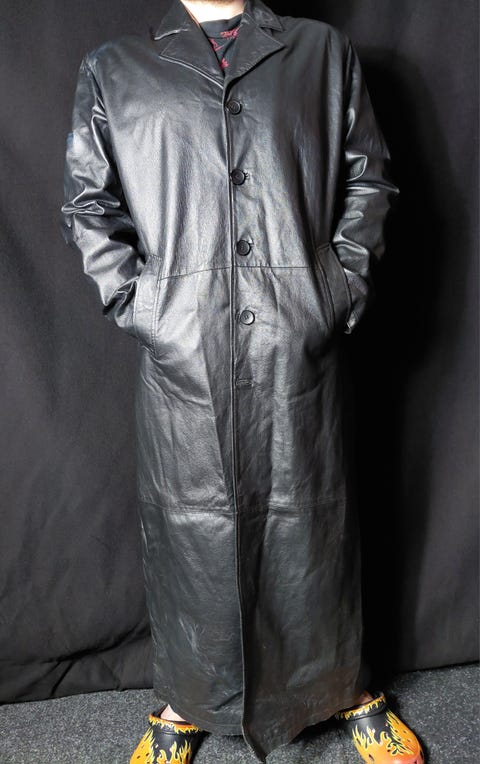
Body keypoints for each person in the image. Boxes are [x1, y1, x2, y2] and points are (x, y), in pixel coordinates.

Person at [60, 0, 424, 762]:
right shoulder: (116, 70)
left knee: (316, 528)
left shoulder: (322, 55)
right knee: (190, 538)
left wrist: (336, 289)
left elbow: (370, 179)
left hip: (298, 354)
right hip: (184, 362)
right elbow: (89, 205)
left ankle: (346, 685)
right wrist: (145, 304)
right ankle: (186, 698)